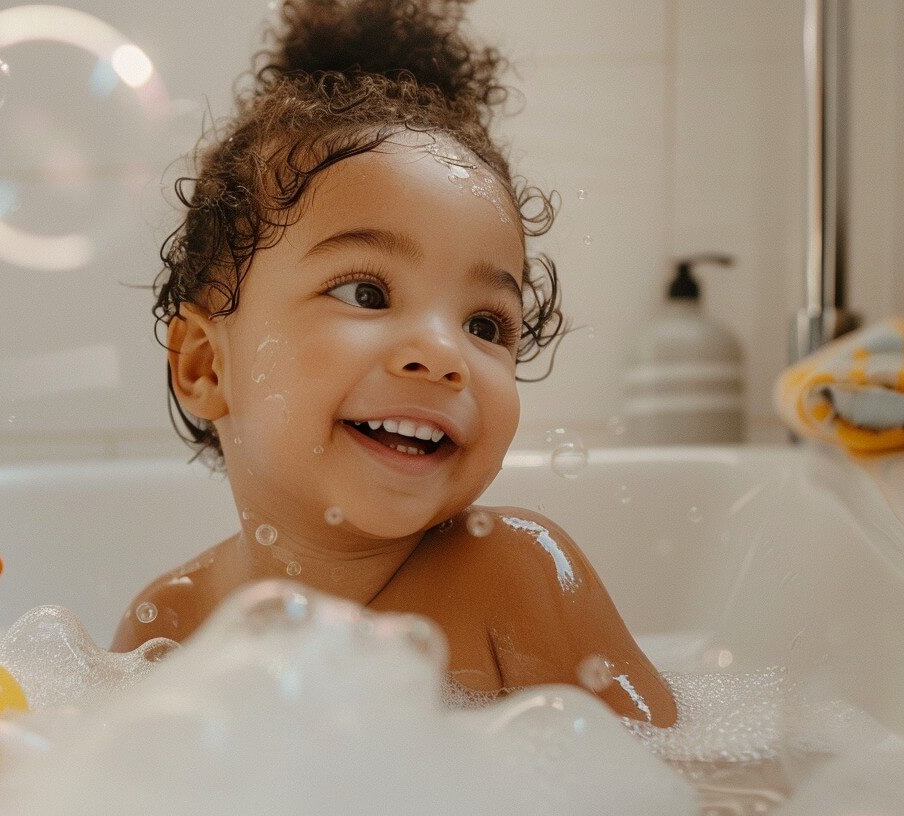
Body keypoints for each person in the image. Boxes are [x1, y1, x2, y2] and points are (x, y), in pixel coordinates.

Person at [112, 0, 676, 727]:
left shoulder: (512, 576)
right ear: (204, 367)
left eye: (485, 323)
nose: (444, 355)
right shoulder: (173, 625)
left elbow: (679, 782)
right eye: (366, 293)